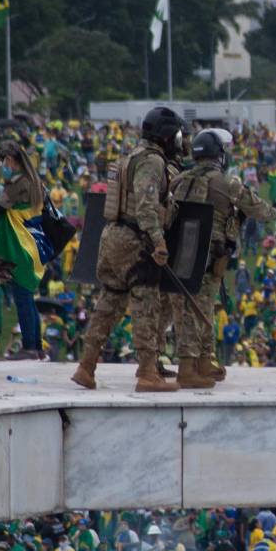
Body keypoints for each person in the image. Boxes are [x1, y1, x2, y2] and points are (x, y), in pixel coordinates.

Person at [72, 106, 185, 393]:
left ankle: (86, 367)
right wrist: (159, 241)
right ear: (166, 136)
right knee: (145, 305)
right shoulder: (152, 162)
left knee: (108, 304)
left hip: (112, 236)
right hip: (136, 239)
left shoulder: (129, 156)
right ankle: (148, 373)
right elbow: (147, 205)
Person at [169, 128, 276, 388]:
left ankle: (204, 362)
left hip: (180, 255)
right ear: (219, 154)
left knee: (196, 309)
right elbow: (260, 210)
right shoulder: (226, 183)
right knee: (198, 311)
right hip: (208, 256)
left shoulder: (179, 180)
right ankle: (187, 368)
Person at [0, 140, 46, 360]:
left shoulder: (18, 184)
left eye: (4, 160)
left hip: (20, 246)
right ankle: (36, 347)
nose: (2, 164)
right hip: (32, 246)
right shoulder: (32, 180)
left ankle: (29, 348)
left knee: (22, 297)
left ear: (12, 160)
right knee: (28, 297)